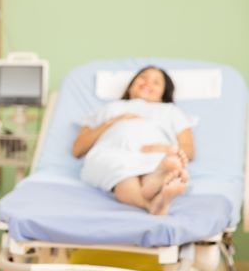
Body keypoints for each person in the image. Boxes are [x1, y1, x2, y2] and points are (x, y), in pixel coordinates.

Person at [72, 66, 194, 215]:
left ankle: (159, 175)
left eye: (156, 82)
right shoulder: (110, 109)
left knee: (155, 165)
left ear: (163, 93)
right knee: (120, 169)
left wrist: (164, 149)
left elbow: (188, 150)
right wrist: (113, 121)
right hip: (111, 153)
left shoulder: (170, 111)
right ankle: (152, 203)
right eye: (143, 77)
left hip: (153, 154)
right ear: (130, 86)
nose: (147, 83)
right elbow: (77, 149)